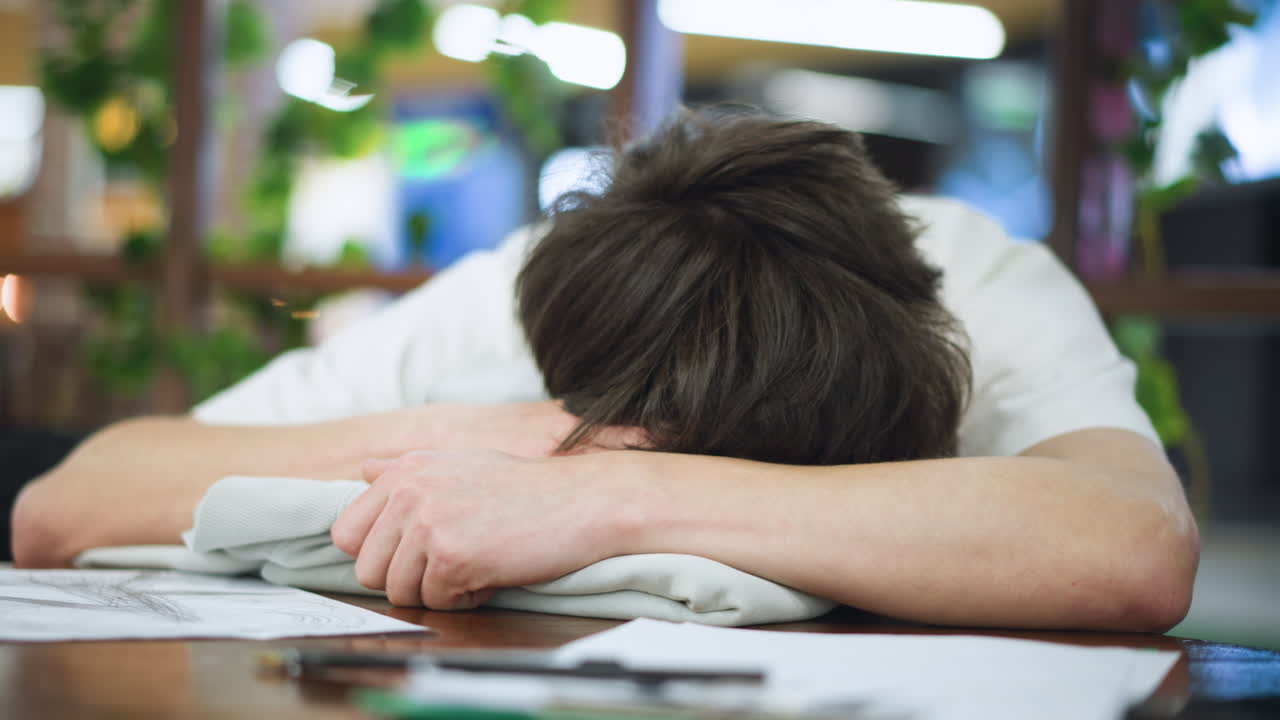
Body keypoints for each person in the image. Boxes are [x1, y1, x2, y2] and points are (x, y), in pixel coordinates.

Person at [11, 108, 1199, 631]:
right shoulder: (522, 296)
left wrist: (609, 495)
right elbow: (67, 506)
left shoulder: (972, 281)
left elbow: (1133, 551)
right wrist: (486, 439)